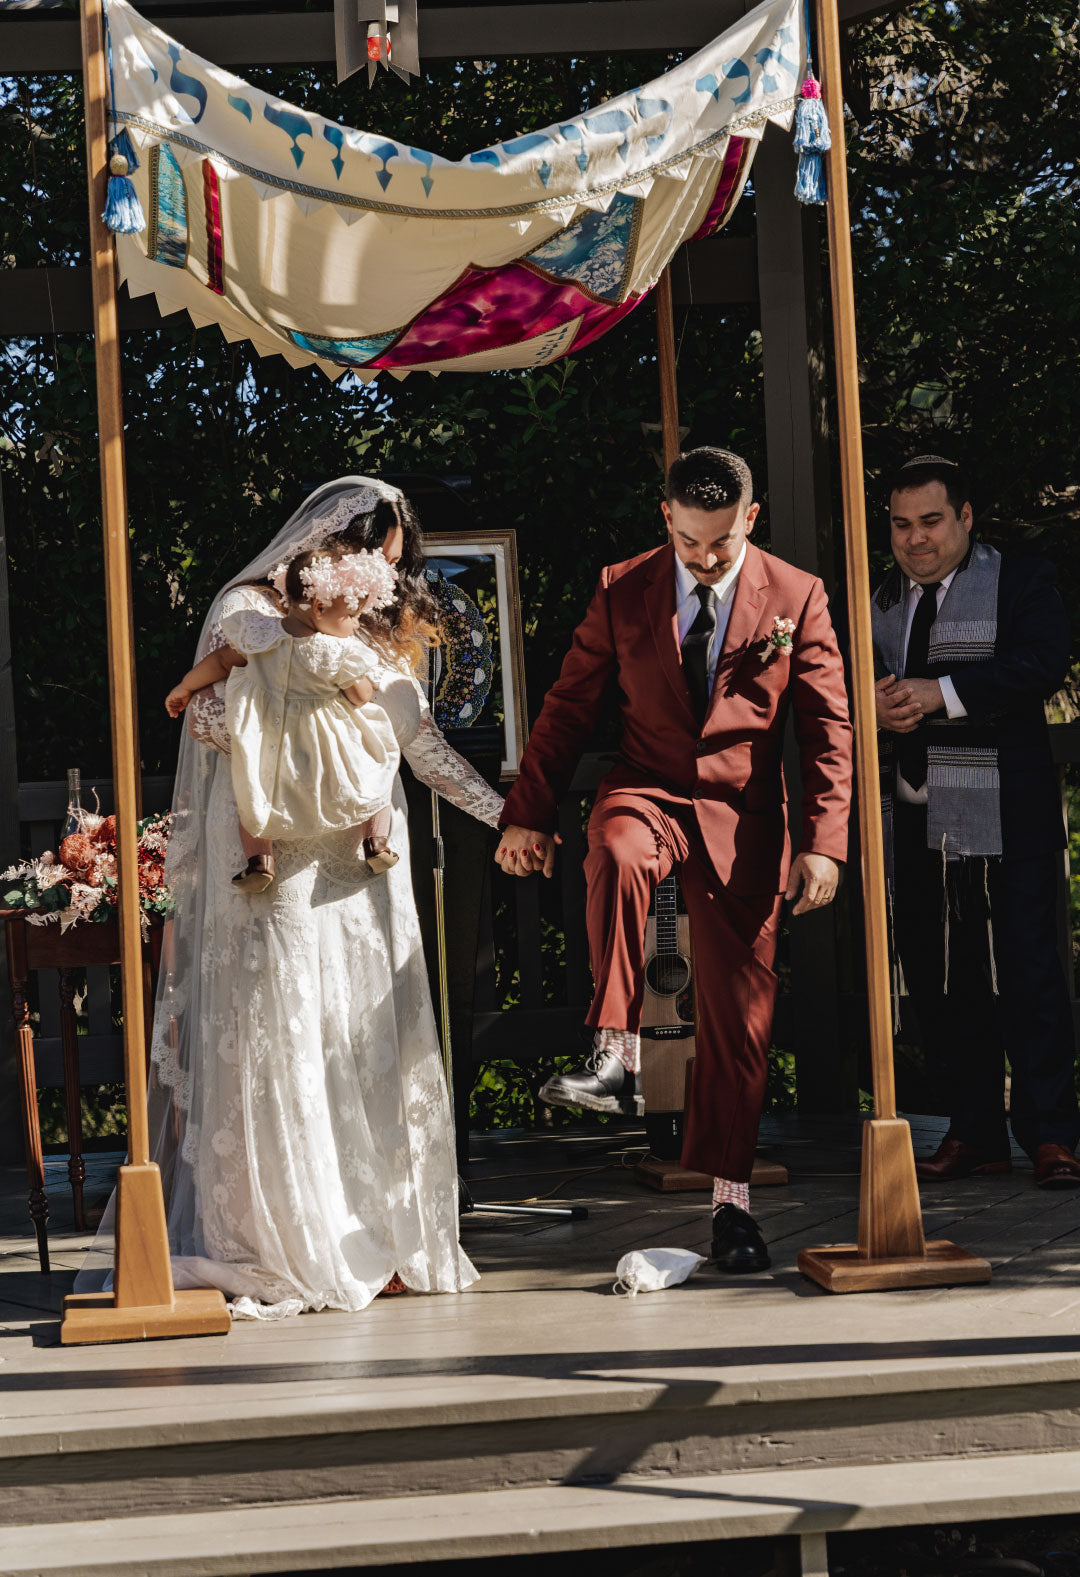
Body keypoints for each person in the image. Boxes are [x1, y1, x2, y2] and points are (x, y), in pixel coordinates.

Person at [77, 477, 505, 1315]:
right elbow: (201, 718)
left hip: (359, 876)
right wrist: (279, 705)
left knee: (359, 1041)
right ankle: (288, 1238)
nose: (375, 582)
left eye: (387, 569)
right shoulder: (247, 609)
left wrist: (504, 813)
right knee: (289, 1038)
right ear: (325, 546)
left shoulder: (371, 631)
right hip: (276, 873)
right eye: (367, 560)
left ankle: (376, 1232)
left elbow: (418, 745)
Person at [496, 447, 852, 1273]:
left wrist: (826, 843)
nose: (705, 557)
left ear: (749, 519)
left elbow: (828, 731)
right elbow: (568, 705)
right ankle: (615, 1049)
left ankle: (732, 1204)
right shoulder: (625, 585)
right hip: (648, 789)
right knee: (615, 849)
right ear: (667, 517)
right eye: (691, 540)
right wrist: (530, 813)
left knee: (740, 1020)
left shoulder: (798, 596)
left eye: (721, 542)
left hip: (746, 818)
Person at [872, 455, 1080, 1188]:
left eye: (930, 521)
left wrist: (941, 694)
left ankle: (1053, 1134)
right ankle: (975, 1131)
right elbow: (855, 675)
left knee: (1029, 973)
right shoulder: (882, 596)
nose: (914, 539)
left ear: (965, 517)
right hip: (914, 816)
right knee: (937, 981)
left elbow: (1040, 665)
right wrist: (881, 700)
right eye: (901, 524)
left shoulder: (1022, 579)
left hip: (1008, 812)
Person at [164, 542, 401, 890]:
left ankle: (259, 861)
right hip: (325, 742)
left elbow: (220, 662)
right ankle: (375, 842)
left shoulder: (259, 635)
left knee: (253, 794)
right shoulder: (334, 651)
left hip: (271, 742)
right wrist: (366, 682)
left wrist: (184, 688)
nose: (355, 624)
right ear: (319, 607)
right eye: (352, 616)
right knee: (378, 772)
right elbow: (361, 694)